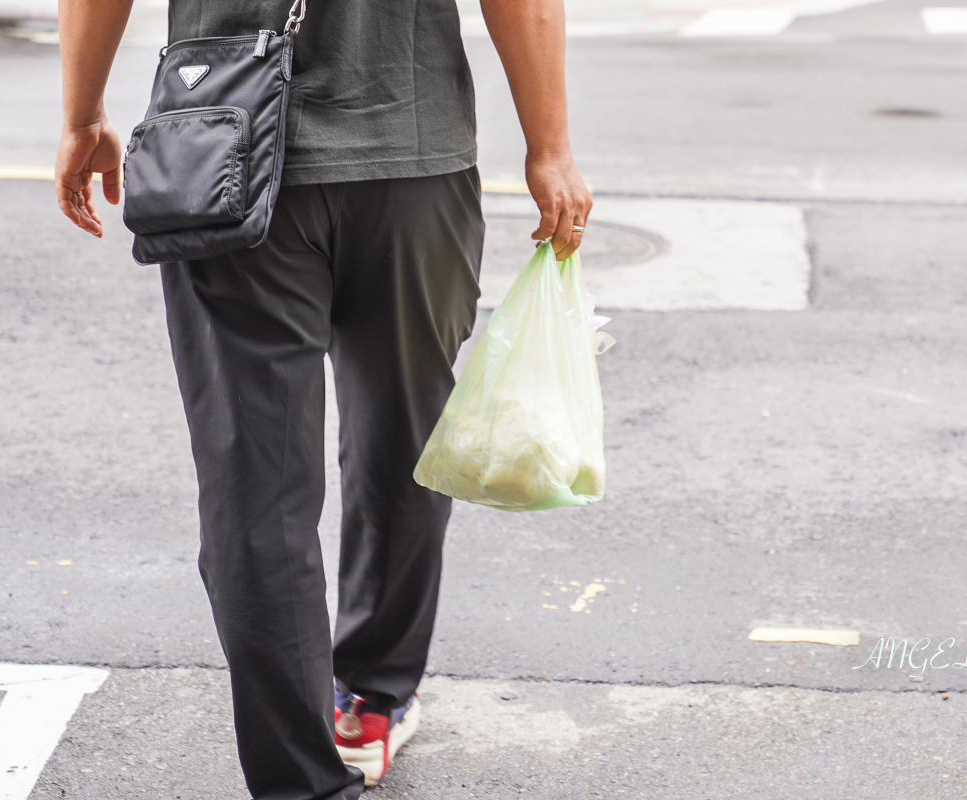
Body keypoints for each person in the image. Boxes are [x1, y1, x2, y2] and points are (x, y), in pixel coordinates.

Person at [53, 0, 592, 796]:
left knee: (255, 488)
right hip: (414, 157)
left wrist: (83, 112)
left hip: (225, 148)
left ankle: (301, 781)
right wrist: (549, 147)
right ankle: (371, 700)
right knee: (403, 442)